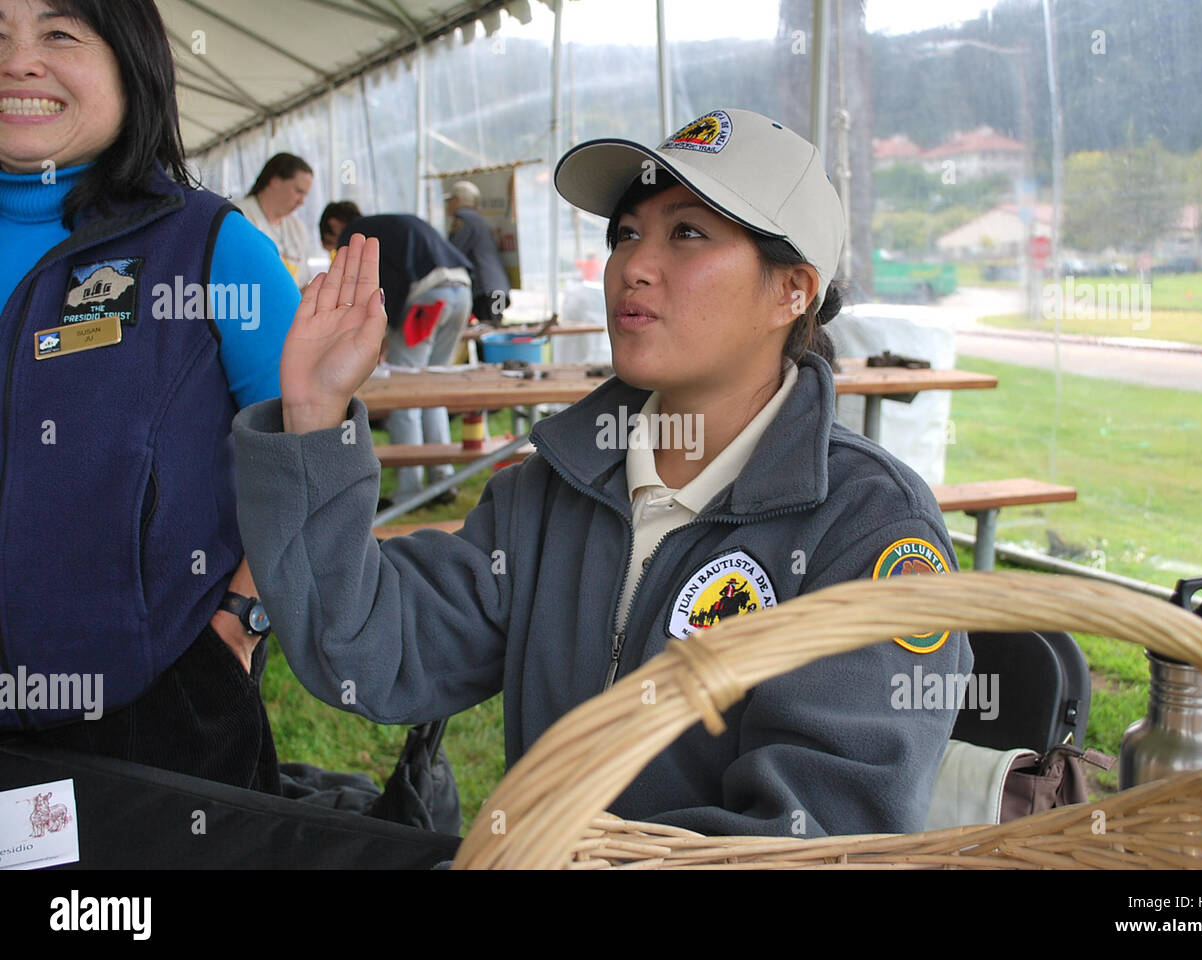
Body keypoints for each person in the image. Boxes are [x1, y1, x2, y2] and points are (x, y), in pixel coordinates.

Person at [234, 108, 972, 836]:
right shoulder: (552, 489)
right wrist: (315, 415)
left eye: (687, 232)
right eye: (625, 233)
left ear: (793, 290)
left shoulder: (869, 530)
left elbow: (817, 837)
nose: (632, 267)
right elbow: (365, 645)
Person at [0, 0, 298, 793]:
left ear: (132, 63)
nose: (20, 61)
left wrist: (240, 622)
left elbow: (311, 449)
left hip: (154, 715)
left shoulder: (212, 245)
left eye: (59, 33)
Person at [319, 201, 473, 503]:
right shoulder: (390, 221)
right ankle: (442, 481)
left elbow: (372, 290)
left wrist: (375, 337)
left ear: (336, 224)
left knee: (407, 391)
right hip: (460, 289)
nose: (336, 252)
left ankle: (410, 490)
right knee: (433, 387)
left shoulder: (356, 236)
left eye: (331, 244)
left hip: (427, 298)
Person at [239, 152, 314, 288]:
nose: (302, 201)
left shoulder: (297, 228)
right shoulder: (239, 216)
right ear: (275, 181)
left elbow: (302, 284)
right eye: (298, 191)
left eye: (305, 195)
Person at [445, 180, 511, 327]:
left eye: (451, 201)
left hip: (486, 291)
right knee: (494, 330)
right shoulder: (477, 219)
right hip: (498, 290)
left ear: (459, 200)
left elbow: (451, 251)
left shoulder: (463, 218)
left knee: (487, 336)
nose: (448, 205)